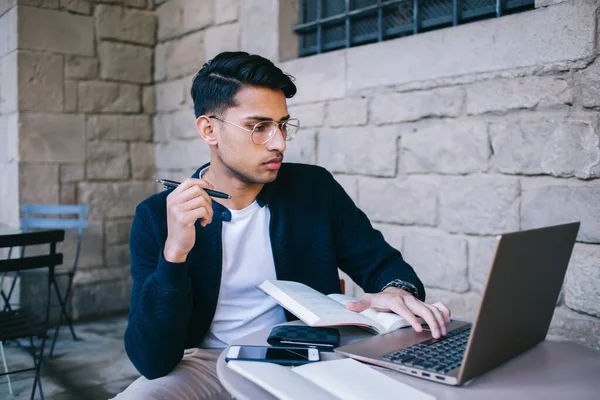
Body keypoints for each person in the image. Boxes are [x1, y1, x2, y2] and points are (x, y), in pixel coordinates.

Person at [114, 51, 451, 399]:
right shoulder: (158, 216)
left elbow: (382, 264)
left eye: (282, 125)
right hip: (206, 365)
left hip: (304, 355)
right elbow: (151, 360)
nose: (279, 143)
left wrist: (397, 291)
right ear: (209, 129)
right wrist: (175, 253)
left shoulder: (314, 189)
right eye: (259, 127)